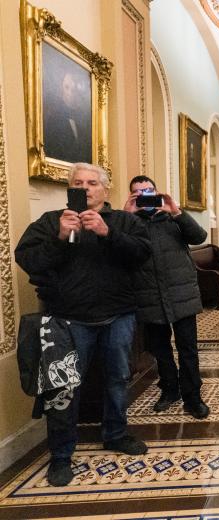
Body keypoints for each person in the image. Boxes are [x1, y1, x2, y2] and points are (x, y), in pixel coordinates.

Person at [15, 163, 152, 487]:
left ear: (105, 189)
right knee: (63, 390)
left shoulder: (124, 220)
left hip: (118, 316)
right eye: (79, 183)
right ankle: (61, 455)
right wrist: (61, 237)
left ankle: (115, 434)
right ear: (70, 189)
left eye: (93, 182)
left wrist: (109, 233)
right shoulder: (51, 221)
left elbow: (142, 254)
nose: (86, 188)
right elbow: (28, 259)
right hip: (66, 321)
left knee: (117, 379)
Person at [124, 176, 210, 419]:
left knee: (188, 350)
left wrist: (177, 212)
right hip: (149, 297)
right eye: (138, 193)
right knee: (160, 351)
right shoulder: (129, 223)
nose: (145, 196)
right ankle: (170, 390)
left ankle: (193, 397)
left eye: (149, 191)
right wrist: (127, 216)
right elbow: (117, 250)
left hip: (181, 294)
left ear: (157, 192)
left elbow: (199, 236)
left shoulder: (172, 219)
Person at [43, 72, 91, 164]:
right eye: (67, 87)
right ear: (61, 90)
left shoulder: (86, 119)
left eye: (74, 88)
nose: (71, 92)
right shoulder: (53, 118)